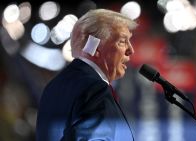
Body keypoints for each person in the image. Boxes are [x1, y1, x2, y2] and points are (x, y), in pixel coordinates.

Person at [36, 9, 138, 141]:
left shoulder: (53, 86)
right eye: (122, 41)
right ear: (94, 47)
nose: (131, 50)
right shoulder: (95, 89)